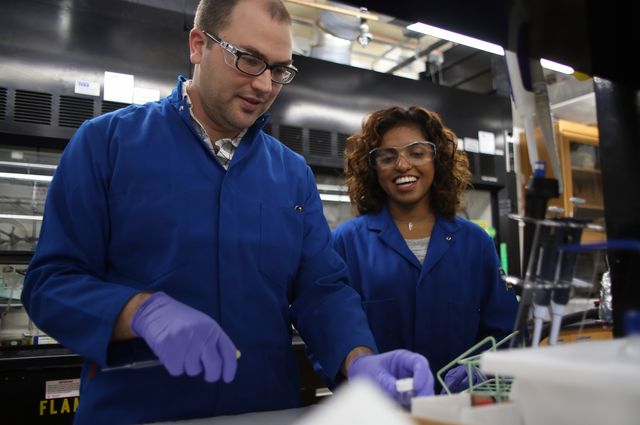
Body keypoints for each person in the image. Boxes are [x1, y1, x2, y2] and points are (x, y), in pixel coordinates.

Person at [20, 2, 434, 424]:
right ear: (199, 45)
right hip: (137, 411)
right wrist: (139, 312)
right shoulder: (107, 145)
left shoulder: (291, 173)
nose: (264, 85)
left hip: (263, 410)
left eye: (279, 70)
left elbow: (321, 290)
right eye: (249, 60)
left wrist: (357, 358)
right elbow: (50, 285)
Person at [333, 105, 519, 393]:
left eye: (417, 153)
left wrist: (480, 369)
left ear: (438, 160)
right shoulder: (347, 241)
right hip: (378, 411)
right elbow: (333, 330)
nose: (403, 165)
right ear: (372, 169)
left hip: (459, 408)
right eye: (387, 156)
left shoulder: (475, 241)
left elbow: (505, 331)